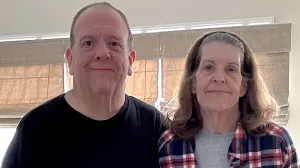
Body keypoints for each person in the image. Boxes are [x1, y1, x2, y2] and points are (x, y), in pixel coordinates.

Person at [1, 2, 165, 168]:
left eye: (114, 43)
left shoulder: (156, 126)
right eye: (88, 43)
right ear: (70, 60)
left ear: (130, 61)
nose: (102, 53)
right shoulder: (34, 129)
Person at [158, 31, 299, 167]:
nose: (219, 78)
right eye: (208, 67)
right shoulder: (168, 146)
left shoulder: (277, 142)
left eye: (231, 69)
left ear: (244, 85)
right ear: (193, 83)